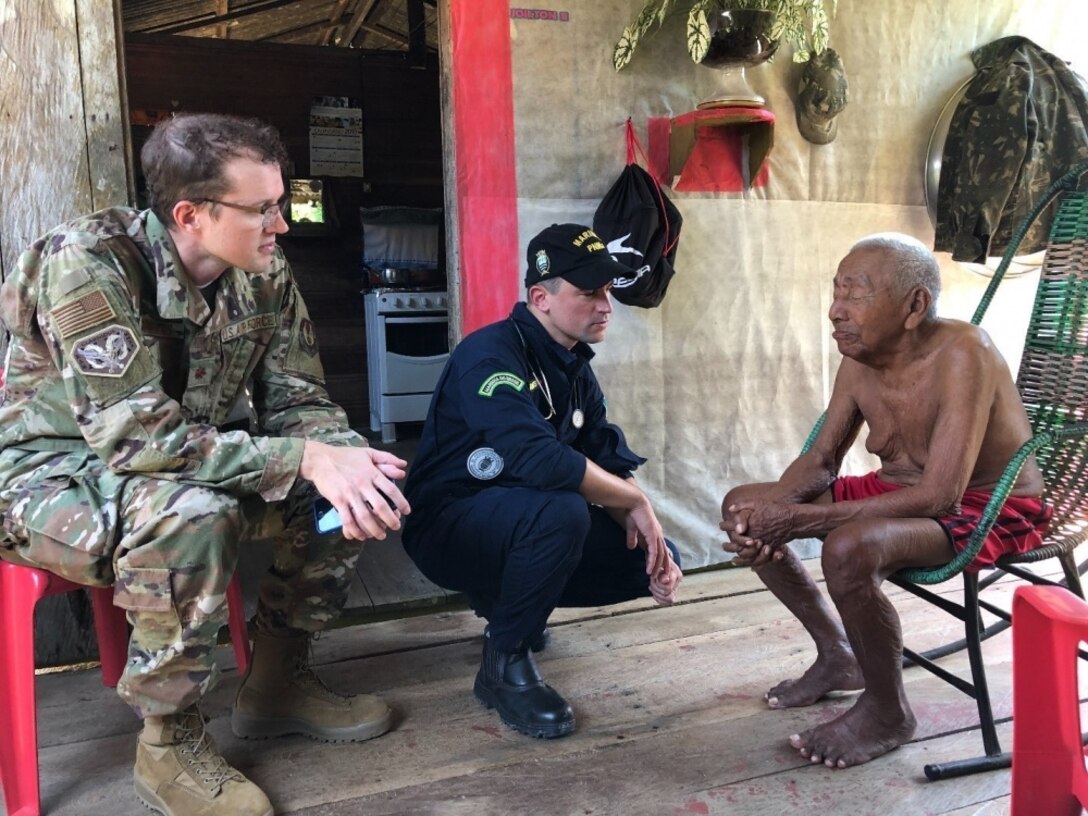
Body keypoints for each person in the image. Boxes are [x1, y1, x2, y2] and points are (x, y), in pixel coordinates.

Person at [0, 113, 410, 816]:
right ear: (191, 214)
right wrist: (302, 455)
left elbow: (299, 396)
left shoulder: (264, 270)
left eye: (280, 204)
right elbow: (139, 441)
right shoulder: (86, 264)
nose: (281, 224)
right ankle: (167, 743)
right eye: (263, 210)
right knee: (195, 513)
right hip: (53, 476)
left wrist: (338, 458)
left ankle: (279, 678)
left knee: (346, 485)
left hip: (188, 459)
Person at [719, 233, 1050, 769]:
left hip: (986, 505)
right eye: (836, 290)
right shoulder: (860, 357)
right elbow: (821, 460)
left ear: (914, 305)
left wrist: (797, 518)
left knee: (848, 549)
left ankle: (888, 710)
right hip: (901, 492)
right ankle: (838, 654)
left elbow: (941, 495)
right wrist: (768, 514)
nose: (835, 310)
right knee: (742, 503)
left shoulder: (967, 352)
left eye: (856, 293)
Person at [402, 223, 684, 739]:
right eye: (589, 292)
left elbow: (603, 455)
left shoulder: (574, 366)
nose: (606, 305)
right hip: (448, 527)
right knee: (561, 511)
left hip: (516, 522)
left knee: (648, 557)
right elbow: (540, 461)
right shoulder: (490, 356)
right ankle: (503, 665)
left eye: (607, 290)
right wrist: (635, 499)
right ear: (541, 297)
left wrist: (639, 519)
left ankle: (508, 609)